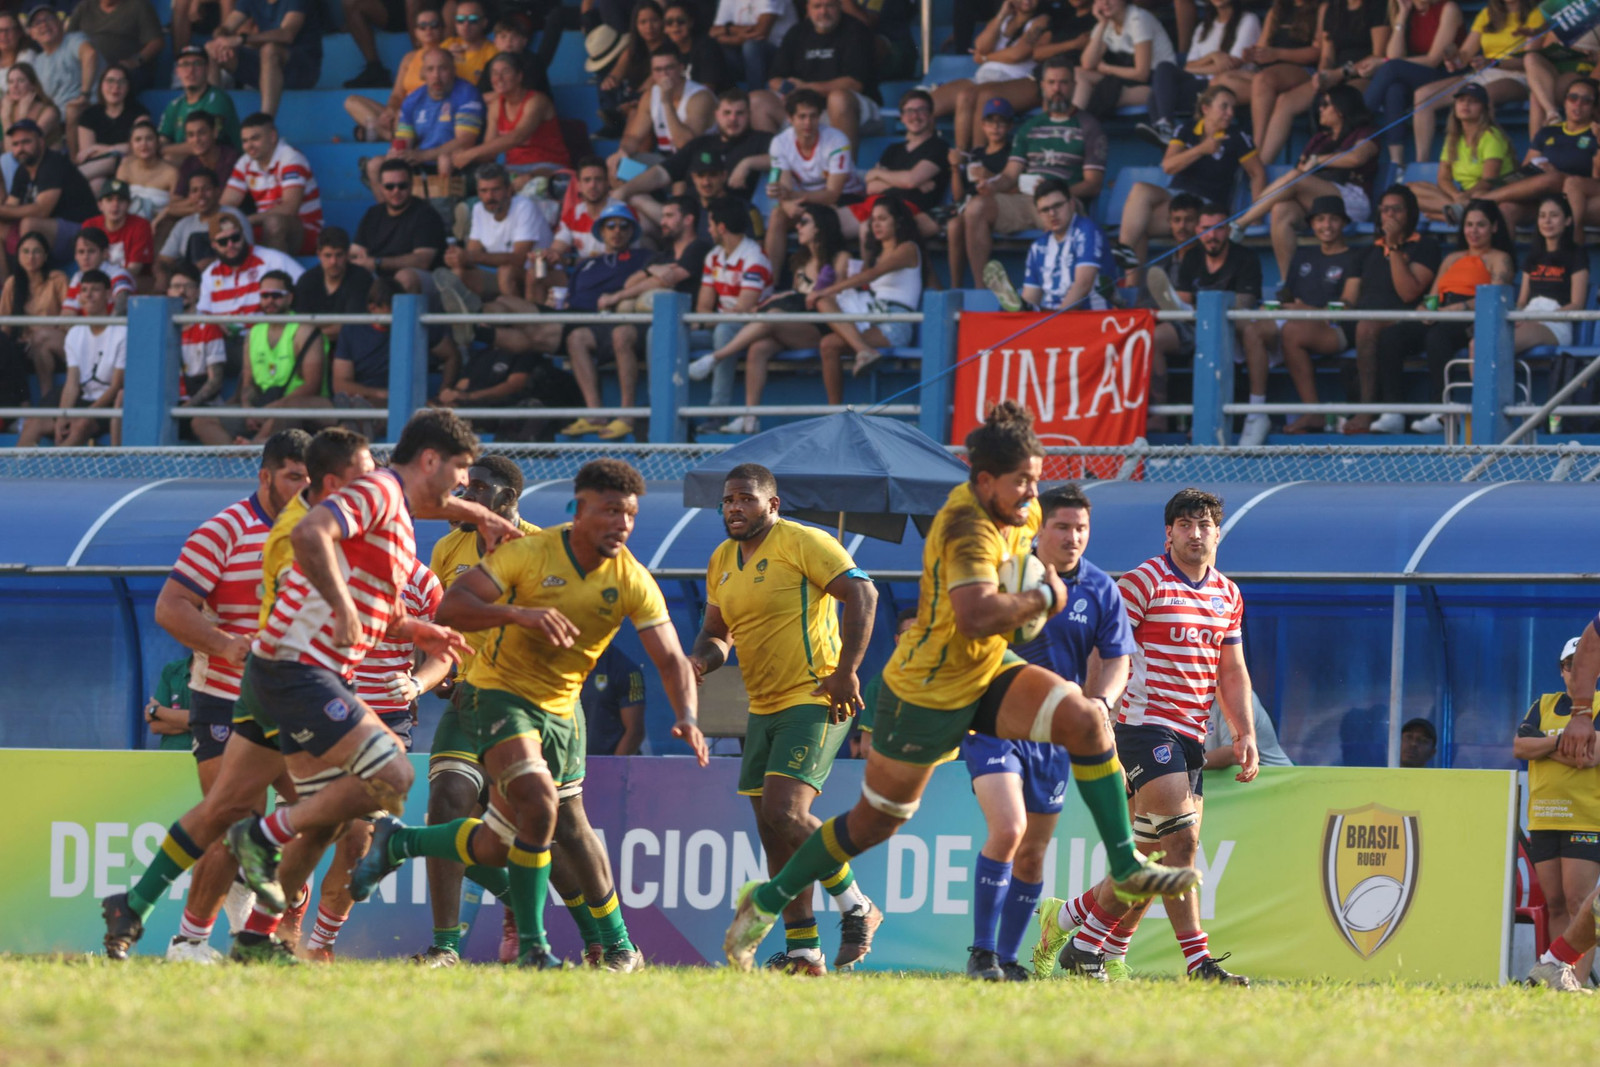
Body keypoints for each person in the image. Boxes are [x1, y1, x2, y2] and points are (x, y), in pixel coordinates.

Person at [723, 402, 1201, 972]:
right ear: (983, 481)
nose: (1032, 492)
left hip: (985, 670)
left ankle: (1124, 864)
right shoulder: (964, 525)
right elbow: (976, 614)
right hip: (926, 689)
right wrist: (1042, 601)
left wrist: (1039, 589)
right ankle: (767, 899)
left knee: (1087, 718)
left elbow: (1028, 581)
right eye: (1022, 481)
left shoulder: (1021, 513)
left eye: (1036, 478)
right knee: (876, 821)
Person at [353, 458, 709, 970]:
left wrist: (689, 717)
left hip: (560, 708)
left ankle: (611, 942)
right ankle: (466, 947)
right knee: (468, 797)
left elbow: (672, 657)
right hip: (490, 692)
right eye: (610, 513)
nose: (622, 526)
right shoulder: (512, 552)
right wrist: (514, 618)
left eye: (628, 515)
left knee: (530, 832)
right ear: (580, 510)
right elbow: (450, 611)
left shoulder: (628, 575)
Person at [96, 433, 311, 961]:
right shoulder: (223, 530)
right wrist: (224, 645)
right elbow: (171, 608)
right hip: (223, 699)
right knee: (233, 815)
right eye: (292, 476)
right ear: (264, 476)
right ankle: (192, 941)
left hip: (288, 697)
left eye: (310, 478)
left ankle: (259, 932)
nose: (304, 487)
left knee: (322, 815)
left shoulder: (315, 533)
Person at [1033, 488, 1255, 985]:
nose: (1196, 534)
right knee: (1182, 842)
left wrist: (1244, 731)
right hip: (1142, 726)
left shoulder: (1229, 594)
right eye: (1185, 525)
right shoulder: (1142, 582)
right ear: (1169, 532)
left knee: (1150, 857)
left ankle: (1073, 927)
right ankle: (1198, 963)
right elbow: (1107, 651)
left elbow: (1232, 669)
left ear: (1218, 533)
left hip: (1192, 734)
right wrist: (1099, 714)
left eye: (1205, 525)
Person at [691, 463, 885, 977]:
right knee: (774, 831)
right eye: (729, 499)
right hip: (763, 706)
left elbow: (863, 593)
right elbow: (717, 633)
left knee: (786, 811)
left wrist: (847, 672)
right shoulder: (720, 560)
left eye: (747, 499)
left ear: (772, 505)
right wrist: (699, 661)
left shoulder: (802, 541)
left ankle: (858, 908)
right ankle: (804, 954)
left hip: (817, 695)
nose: (735, 507)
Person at [964, 484, 1134, 983]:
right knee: (1009, 828)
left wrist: (1100, 703)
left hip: (1055, 735)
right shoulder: (1006, 573)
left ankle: (1011, 960)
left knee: (1034, 850)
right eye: (1062, 526)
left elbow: (1119, 658)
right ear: (1039, 529)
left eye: (1081, 528)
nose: (1072, 537)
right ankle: (981, 953)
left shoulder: (1101, 588)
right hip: (993, 723)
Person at [949, 57, 1106, 288]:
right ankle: (983, 291)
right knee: (976, 208)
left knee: (1055, 210)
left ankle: (1053, 291)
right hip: (1026, 200)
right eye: (1051, 83)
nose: (1057, 89)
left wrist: (1057, 193)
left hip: (1065, 200)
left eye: (1063, 83)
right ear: (1042, 86)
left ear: (1073, 85)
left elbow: (1093, 183)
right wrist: (993, 185)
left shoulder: (1089, 126)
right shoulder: (1029, 128)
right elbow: (1010, 175)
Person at [687, 199, 843, 431]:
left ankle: (715, 360)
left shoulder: (839, 259)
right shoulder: (800, 262)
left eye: (803, 222)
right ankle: (751, 418)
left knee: (764, 318)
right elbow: (704, 306)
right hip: (788, 325)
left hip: (821, 327)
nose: (797, 227)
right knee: (758, 348)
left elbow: (833, 299)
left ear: (820, 226)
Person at [1237, 194, 1362, 442]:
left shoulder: (1356, 256)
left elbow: (1348, 305)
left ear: (1344, 223)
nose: (1326, 226)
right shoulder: (1304, 256)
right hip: (1295, 320)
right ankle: (1256, 412)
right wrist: (1273, 309)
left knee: (1292, 330)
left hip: (1334, 327)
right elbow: (1288, 295)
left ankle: (1312, 411)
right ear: (1312, 224)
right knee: (1252, 330)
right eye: (1320, 220)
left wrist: (1308, 311)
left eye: (1333, 219)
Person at [1512, 636, 1600, 985]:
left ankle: (1576, 981)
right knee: (1556, 904)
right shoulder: (1543, 703)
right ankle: (1557, 980)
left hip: (1585, 817)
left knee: (1581, 903)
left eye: (1583, 664)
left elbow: (1590, 756)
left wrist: (1543, 744)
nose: (1575, 671)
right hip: (1545, 817)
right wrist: (1564, 742)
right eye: (1569, 665)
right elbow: (1520, 746)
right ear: (1562, 671)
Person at [1115, 83, 1264, 285]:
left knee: (1140, 224)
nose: (1230, 113)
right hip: (1176, 199)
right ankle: (1128, 264)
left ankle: (1131, 275)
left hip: (1207, 208)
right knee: (1140, 191)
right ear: (1206, 109)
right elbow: (1168, 166)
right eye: (1224, 106)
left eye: (1232, 108)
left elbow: (1257, 173)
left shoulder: (1236, 137)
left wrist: (1256, 215)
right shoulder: (1186, 130)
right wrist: (1201, 149)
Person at [1227, 83, 1378, 281]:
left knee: (1295, 178)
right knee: (1281, 210)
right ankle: (1288, 283)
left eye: (1326, 104)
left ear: (1341, 109)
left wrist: (1318, 160)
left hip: (1351, 201)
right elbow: (1299, 170)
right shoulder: (1319, 139)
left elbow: (1356, 158)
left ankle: (1241, 222)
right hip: (1315, 201)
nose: (1320, 109)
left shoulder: (1364, 132)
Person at [1394, 198, 1516, 433]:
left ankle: (1442, 412)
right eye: (1469, 225)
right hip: (1442, 312)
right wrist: (1424, 310)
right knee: (1393, 335)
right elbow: (1433, 296)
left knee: (1437, 337)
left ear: (1494, 227)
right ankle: (1391, 411)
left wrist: (1450, 311)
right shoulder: (1452, 258)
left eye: (1480, 225)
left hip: (1473, 318)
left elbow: (1495, 297)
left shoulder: (1500, 258)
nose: (1473, 231)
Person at [1147, 203, 1261, 431]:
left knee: (1214, 336)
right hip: (1193, 323)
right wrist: (1183, 309)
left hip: (1230, 327)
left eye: (1218, 228)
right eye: (1206, 228)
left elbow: (1243, 304)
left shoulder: (1246, 258)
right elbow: (1184, 299)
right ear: (1198, 230)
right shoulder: (1193, 257)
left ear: (1228, 229)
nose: (1212, 235)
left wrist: (1200, 314)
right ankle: (1159, 415)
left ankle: (1206, 423)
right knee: (1153, 338)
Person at [1343, 184, 1441, 434]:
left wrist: (1395, 246)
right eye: (1385, 210)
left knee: (1368, 327)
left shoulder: (1425, 246)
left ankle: (1367, 412)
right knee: (1297, 329)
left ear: (1410, 214)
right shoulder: (1365, 252)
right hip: (1362, 320)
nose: (1390, 216)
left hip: (1405, 320)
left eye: (1397, 210)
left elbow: (1409, 292)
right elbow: (1349, 298)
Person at [810, 192, 921, 395]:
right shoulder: (877, 255)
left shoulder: (908, 248)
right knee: (827, 341)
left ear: (897, 222)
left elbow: (872, 275)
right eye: (873, 220)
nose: (876, 225)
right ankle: (837, 417)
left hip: (895, 321)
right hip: (872, 315)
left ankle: (864, 351)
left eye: (883, 219)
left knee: (823, 298)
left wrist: (827, 289)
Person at [618, 88, 771, 234]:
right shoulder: (701, 143)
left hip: (725, 217)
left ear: (749, 115)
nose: (733, 119)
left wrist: (747, 163)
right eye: (727, 113)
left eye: (740, 113)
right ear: (717, 115)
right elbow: (661, 173)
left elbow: (782, 158)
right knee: (630, 191)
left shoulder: (759, 140)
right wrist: (622, 192)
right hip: (684, 212)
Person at [1410, 0, 1543, 163]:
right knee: (1423, 95)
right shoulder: (1487, 14)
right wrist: (1452, 57)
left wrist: (1494, 62)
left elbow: (1530, 60)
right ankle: (1420, 163)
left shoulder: (1536, 14)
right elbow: (1464, 57)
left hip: (1519, 75)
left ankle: (1490, 159)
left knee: (1481, 95)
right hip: (1485, 73)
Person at [560, 201, 649, 441]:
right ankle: (595, 414)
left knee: (621, 333)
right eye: (611, 226)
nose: (617, 231)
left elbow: (657, 278)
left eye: (623, 226)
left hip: (631, 322)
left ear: (632, 232)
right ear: (602, 231)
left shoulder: (643, 257)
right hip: (595, 323)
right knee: (576, 338)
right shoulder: (587, 264)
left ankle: (627, 415)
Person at [927, 0, 1052, 161]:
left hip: (1016, 79)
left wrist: (985, 57)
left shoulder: (1042, 20)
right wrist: (1001, 15)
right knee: (928, 103)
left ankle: (978, 158)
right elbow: (981, 45)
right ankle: (947, 156)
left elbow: (1018, 54)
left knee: (977, 96)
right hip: (984, 77)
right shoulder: (1005, 19)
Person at [691, 196, 774, 434]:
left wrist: (714, 317)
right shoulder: (713, 256)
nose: (708, 230)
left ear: (721, 227)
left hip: (749, 330)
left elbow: (744, 310)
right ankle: (661, 410)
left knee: (725, 329)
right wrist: (713, 317)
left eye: (710, 224)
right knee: (666, 334)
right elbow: (703, 306)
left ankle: (717, 414)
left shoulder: (754, 256)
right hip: (720, 325)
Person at [15, 269, 124, 447]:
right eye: (84, 290)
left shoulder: (121, 332)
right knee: (33, 424)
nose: (88, 295)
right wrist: (61, 417)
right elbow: (72, 383)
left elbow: (116, 386)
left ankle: (53, 471)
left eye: (95, 290)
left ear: (108, 294)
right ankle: (13, 473)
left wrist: (84, 414)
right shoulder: (75, 333)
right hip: (82, 399)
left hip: (108, 403)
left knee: (80, 426)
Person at [762, 88, 863, 271]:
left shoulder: (837, 141)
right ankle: (770, 284)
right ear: (790, 118)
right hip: (807, 199)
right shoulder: (780, 143)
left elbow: (832, 194)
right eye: (801, 117)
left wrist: (791, 196)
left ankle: (823, 278)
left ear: (820, 117)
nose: (808, 123)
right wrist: (786, 204)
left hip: (844, 198)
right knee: (777, 215)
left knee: (817, 220)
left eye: (813, 116)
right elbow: (783, 187)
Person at [755, 0, 881, 146]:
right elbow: (774, 78)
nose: (823, 12)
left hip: (853, 110)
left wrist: (805, 88)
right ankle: (774, 165)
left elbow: (854, 84)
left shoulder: (856, 31)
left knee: (838, 98)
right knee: (757, 100)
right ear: (808, 8)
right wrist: (788, 89)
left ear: (840, 6)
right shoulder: (797, 32)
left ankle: (841, 167)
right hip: (806, 108)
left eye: (829, 5)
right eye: (817, 6)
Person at [986, 179, 1117, 315]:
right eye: (1045, 210)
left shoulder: (1087, 231)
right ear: (1039, 214)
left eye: (1058, 206)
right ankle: (1019, 307)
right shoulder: (1037, 247)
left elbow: (1083, 285)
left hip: (1088, 318)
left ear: (1072, 204)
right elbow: (1032, 296)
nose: (1052, 214)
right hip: (1051, 319)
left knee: (1028, 312)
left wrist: (1055, 319)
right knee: (1021, 309)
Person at [1138, 0, 1262, 145]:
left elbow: (1229, 66)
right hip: (1198, 86)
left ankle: (1166, 133)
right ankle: (1166, 129)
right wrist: (1212, 56)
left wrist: (1200, 65)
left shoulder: (1248, 20)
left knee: (1158, 93)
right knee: (1164, 70)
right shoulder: (1203, 27)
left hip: (1224, 88)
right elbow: (1188, 65)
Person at [363, 47, 485, 191]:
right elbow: (404, 140)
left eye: (443, 69)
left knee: (444, 160)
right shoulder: (413, 99)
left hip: (459, 164)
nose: (436, 76)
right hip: (421, 162)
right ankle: (389, 212)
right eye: (430, 69)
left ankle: (443, 211)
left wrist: (424, 155)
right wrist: (397, 153)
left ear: (453, 70)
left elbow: (465, 141)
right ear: (423, 73)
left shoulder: (467, 93)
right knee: (375, 165)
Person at [1361, 0, 1466, 166]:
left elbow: (1433, 60)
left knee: (1392, 68)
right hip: (1417, 75)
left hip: (1445, 75)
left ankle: (1356, 121)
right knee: (1395, 90)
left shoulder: (1448, 8)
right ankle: (1397, 163)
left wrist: (1384, 63)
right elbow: (1394, 54)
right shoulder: (1410, 13)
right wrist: (1402, 15)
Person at [1487, 78, 1599, 231]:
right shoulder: (1547, 132)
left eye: (1586, 100)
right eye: (1573, 98)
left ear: (1593, 108)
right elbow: (1526, 168)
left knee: (1553, 178)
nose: (1578, 104)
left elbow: (1596, 180)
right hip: (1543, 198)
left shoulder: (1596, 134)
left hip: (1579, 197)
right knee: (1507, 208)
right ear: (1565, 102)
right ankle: (1505, 254)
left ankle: (1480, 201)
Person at [232, 270, 330, 444]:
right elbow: (247, 382)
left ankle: (252, 448)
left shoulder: (304, 330)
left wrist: (272, 408)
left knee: (288, 408)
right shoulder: (254, 332)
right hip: (264, 406)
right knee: (202, 420)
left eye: (276, 295)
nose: (270, 300)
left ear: (290, 298)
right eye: (265, 295)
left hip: (301, 405)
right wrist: (248, 410)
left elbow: (312, 386)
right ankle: (230, 455)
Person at [446, 52, 570, 178]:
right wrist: (455, 157)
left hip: (549, 168)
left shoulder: (537, 101)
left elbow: (517, 137)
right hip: (513, 171)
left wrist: (470, 154)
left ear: (519, 77)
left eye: (505, 72)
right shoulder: (496, 106)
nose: (499, 78)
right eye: (494, 73)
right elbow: (489, 153)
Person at [848, 88, 949, 243]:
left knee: (867, 229)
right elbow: (871, 186)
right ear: (902, 117)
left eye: (921, 110)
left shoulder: (939, 147)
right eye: (909, 111)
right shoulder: (893, 149)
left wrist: (879, 174)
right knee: (824, 223)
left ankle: (867, 268)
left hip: (905, 210)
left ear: (930, 115)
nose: (915, 116)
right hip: (873, 204)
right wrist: (910, 183)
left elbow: (911, 180)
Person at [440, 162, 550, 301]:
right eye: (483, 191)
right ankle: (468, 320)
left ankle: (519, 320)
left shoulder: (524, 207)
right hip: (497, 275)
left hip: (534, 275)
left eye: (496, 190)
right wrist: (457, 258)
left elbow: (519, 259)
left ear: (509, 190)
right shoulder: (479, 209)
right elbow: (472, 253)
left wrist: (470, 257)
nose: (489, 197)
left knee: (506, 272)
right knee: (458, 274)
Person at [1407, 82, 1513, 223]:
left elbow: (1488, 181)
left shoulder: (1491, 137)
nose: (1465, 105)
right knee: (1409, 190)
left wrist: (1465, 196)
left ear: (1484, 109)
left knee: (1481, 194)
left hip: (1487, 194)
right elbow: (1443, 178)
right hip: (1461, 195)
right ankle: (1458, 211)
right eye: (1461, 101)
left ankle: (1457, 213)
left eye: (1473, 101)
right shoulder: (1453, 138)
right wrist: (1456, 196)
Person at [222, 112, 323, 257]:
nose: (249, 146)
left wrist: (247, 220)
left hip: (306, 230)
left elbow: (289, 208)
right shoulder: (245, 161)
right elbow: (226, 204)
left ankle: (279, 277)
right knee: (223, 230)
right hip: (264, 225)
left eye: (255, 138)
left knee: (274, 223)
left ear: (272, 137)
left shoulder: (290, 157)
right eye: (245, 141)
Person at [3, 118, 97, 273]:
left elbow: (42, 210)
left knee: (29, 224)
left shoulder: (53, 163)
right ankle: (7, 285)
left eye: (26, 142)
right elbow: (10, 207)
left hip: (82, 230)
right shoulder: (23, 170)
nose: (20, 148)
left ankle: (31, 282)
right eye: (16, 144)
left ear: (41, 142)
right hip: (53, 231)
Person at [343, 8, 445, 144]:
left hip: (428, 115)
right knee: (351, 101)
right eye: (422, 26)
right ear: (415, 32)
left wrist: (404, 112)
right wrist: (391, 110)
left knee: (400, 118)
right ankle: (388, 135)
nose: (428, 30)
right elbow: (397, 94)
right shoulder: (409, 58)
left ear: (443, 29)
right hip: (402, 115)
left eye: (433, 25)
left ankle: (375, 132)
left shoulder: (447, 56)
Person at [205, 0, 323, 117]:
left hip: (303, 69)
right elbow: (226, 27)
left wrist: (242, 39)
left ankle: (266, 121)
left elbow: (287, 34)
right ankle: (213, 121)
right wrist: (221, 40)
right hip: (267, 68)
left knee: (270, 50)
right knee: (212, 48)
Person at [595, 193, 710, 311]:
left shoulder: (700, 248)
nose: (662, 222)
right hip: (661, 319)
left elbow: (668, 279)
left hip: (688, 320)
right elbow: (629, 284)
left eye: (669, 216)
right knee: (626, 305)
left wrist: (615, 297)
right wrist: (652, 269)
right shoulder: (663, 255)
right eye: (663, 217)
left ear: (688, 220)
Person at [612, 45, 713, 176]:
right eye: (658, 70)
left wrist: (666, 102)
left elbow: (685, 145)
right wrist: (623, 150)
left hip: (699, 163)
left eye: (669, 68)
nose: (664, 74)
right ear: (652, 74)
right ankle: (639, 196)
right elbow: (634, 136)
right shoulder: (649, 96)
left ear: (681, 68)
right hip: (666, 161)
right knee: (619, 166)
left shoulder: (699, 96)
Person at [352, 158, 447, 293]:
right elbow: (356, 250)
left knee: (405, 277)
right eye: (389, 186)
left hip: (425, 283)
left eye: (402, 186)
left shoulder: (426, 214)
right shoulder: (373, 214)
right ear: (380, 187)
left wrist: (377, 263)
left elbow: (422, 261)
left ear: (411, 185)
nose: (396, 191)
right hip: (379, 279)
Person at [1073, 0, 1176, 120]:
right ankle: (1073, 126)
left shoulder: (1139, 19)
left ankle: (1073, 128)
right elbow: (1087, 64)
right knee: (1077, 73)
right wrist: (1102, 24)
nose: (1105, 3)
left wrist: (1107, 68)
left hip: (1156, 85)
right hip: (1125, 80)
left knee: (1091, 95)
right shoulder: (1106, 23)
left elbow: (1142, 74)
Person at [0, 229, 68, 401]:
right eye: (26, 251)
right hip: (25, 346)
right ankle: (31, 405)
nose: (31, 257)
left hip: (55, 339)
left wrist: (35, 337)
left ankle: (39, 403)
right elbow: (5, 323)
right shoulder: (12, 283)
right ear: (18, 255)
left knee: (40, 343)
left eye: (37, 251)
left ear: (45, 256)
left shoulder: (57, 279)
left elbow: (68, 319)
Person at [170, 263, 235, 445]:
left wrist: (187, 408)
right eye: (176, 286)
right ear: (168, 291)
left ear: (198, 291)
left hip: (199, 406)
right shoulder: (159, 328)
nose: (181, 291)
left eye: (188, 286)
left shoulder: (208, 325)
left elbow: (215, 382)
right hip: (170, 405)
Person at [198, 213, 305, 320]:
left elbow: (306, 288)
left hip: (266, 333)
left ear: (243, 235)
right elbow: (203, 315)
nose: (230, 245)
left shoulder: (273, 260)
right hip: (224, 336)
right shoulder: (209, 274)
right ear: (213, 244)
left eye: (235, 238)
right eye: (223, 242)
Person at [155, 170, 249, 287]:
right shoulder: (184, 224)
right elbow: (163, 260)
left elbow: (247, 252)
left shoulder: (233, 216)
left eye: (207, 189)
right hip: (191, 286)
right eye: (194, 190)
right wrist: (162, 277)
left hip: (228, 280)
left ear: (217, 191)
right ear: (189, 196)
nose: (200, 195)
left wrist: (213, 262)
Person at [159, 45, 241, 161]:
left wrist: (160, 150)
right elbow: (163, 138)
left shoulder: (217, 99)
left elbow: (204, 143)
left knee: (168, 159)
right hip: (191, 163)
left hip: (222, 163)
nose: (191, 70)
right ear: (177, 71)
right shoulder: (175, 105)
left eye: (197, 64)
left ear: (207, 69)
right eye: (185, 64)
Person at [74, 64, 147, 183]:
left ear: (128, 87)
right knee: (97, 184)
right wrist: (118, 148)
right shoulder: (89, 115)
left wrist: (100, 148)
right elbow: (87, 154)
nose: (116, 87)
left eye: (121, 82)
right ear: (101, 85)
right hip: (97, 170)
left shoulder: (139, 113)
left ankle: (68, 181)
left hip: (128, 166)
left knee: (115, 159)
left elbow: (138, 147)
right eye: (110, 81)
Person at [68, 0, 162, 91]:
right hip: (86, 68)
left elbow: (156, 42)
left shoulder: (139, 5)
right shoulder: (84, 6)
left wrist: (136, 60)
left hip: (122, 70)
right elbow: (67, 39)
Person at [24, 3, 92, 123]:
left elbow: (90, 54)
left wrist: (84, 94)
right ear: (32, 34)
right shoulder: (39, 62)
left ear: (60, 23)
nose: (44, 24)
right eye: (37, 23)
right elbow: (45, 97)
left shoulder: (74, 40)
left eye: (48, 19)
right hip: (58, 117)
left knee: (72, 111)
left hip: (89, 107)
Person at [169, 111, 241, 222]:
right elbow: (173, 206)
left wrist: (192, 201)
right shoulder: (189, 162)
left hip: (230, 220)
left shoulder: (231, 158)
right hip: (199, 219)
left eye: (201, 133)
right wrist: (200, 205)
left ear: (214, 133)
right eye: (191, 135)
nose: (196, 140)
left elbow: (219, 202)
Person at [711, 0, 795, 88]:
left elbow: (760, 33)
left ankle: (756, 93)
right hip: (745, 55)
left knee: (751, 46)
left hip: (781, 55)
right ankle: (730, 95)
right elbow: (714, 32)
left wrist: (727, 34)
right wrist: (733, 29)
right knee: (716, 47)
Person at [82, 177, 150, 286]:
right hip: (96, 284)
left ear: (129, 205)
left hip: (127, 283)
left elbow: (135, 269)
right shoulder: (90, 225)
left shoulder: (140, 225)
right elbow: (85, 262)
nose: (115, 205)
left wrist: (106, 284)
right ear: (100, 205)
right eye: (109, 200)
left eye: (121, 200)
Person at [583, 643, 647, 756]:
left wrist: (613, 769)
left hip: (607, 766)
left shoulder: (625, 670)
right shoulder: (560, 664)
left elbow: (635, 731)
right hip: (566, 767)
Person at [114, 118, 179, 225]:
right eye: (138, 139)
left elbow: (175, 208)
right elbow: (116, 202)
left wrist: (156, 222)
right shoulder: (124, 169)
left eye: (149, 139)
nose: (144, 144)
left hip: (160, 228)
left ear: (157, 142)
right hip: (128, 227)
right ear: (131, 145)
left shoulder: (171, 173)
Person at [62, 226, 134, 313]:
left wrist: (109, 326)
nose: (85, 257)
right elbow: (68, 313)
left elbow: (123, 302)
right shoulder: (77, 277)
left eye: (91, 251)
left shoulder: (118, 273)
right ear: (75, 256)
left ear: (105, 253)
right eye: (81, 252)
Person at [441, 0, 498, 88]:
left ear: (484, 23)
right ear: (455, 23)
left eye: (473, 19)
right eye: (460, 19)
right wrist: (446, 59)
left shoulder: (493, 53)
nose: (466, 24)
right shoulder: (447, 45)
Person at [147, 653, 198, 751]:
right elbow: (156, 726)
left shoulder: (226, 674)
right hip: (171, 757)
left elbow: (215, 720)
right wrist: (201, 725)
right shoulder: (172, 670)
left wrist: (157, 710)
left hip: (208, 757)